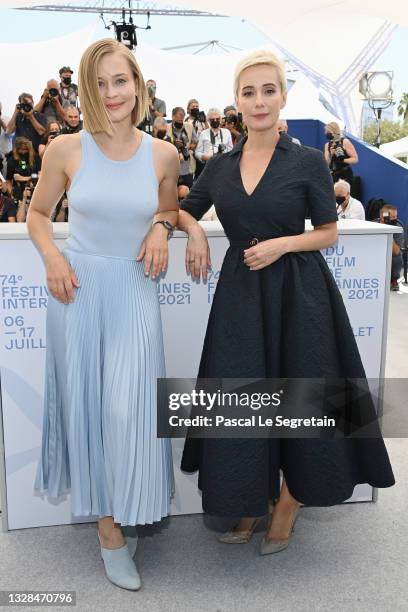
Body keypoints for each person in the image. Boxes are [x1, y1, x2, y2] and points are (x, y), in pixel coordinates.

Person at [178, 50, 394, 555]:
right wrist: (194, 233)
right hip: (241, 295)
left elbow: (327, 233)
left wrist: (281, 244)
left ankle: (289, 502)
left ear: (283, 97)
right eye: (248, 92)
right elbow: (184, 209)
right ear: (236, 101)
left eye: (268, 90)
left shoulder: (305, 161)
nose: (259, 101)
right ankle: (252, 498)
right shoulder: (220, 165)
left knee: (300, 397)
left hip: (300, 292)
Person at [27, 38, 179, 591]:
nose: (111, 93)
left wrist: (164, 227)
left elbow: (167, 206)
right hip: (79, 288)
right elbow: (39, 214)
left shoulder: (164, 153)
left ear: (137, 83)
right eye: (99, 83)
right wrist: (51, 259)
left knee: (129, 408)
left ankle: (125, 504)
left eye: (120, 80)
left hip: (135, 288)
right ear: (86, 91)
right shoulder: (65, 149)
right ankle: (110, 529)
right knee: (92, 409)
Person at [167, 107, 197, 193]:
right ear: (173, 117)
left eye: (183, 117)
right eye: (179, 116)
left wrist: (187, 148)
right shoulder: (167, 127)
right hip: (172, 168)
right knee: (173, 193)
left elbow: (195, 142)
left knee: (187, 192)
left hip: (187, 167)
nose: (181, 119)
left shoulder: (189, 126)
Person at [5, 137, 40, 201]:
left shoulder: (36, 158)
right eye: (21, 150)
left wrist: (23, 178)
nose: (23, 152)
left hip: (34, 190)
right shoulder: (12, 160)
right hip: (18, 191)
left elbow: (40, 175)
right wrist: (11, 194)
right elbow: (8, 180)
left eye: (25, 149)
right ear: (16, 149)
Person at [378, 204, 404, 291]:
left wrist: (390, 231)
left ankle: (393, 280)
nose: (395, 219)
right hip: (376, 251)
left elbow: (396, 251)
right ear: (383, 217)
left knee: (398, 256)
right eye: (392, 217)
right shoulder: (372, 224)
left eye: (396, 216)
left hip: (391, 252)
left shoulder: (398, 226)